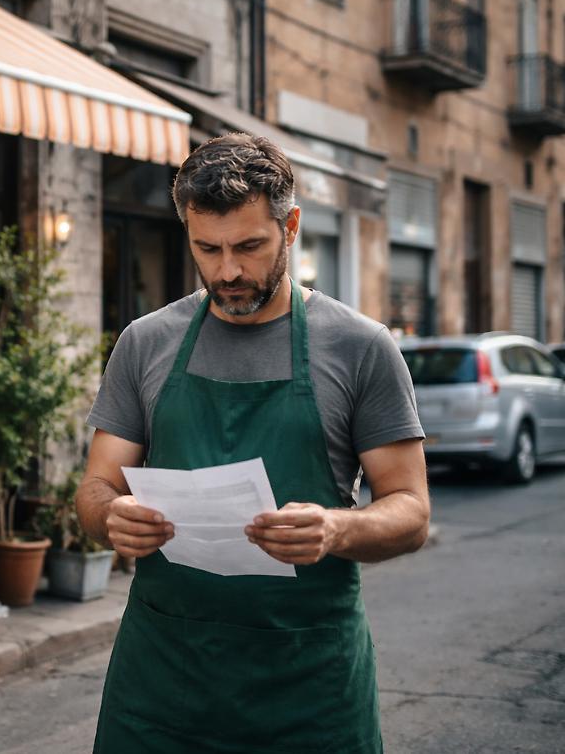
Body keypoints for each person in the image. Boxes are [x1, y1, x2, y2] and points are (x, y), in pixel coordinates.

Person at [79, 133, 430, 753]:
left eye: (249, 246)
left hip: (307, 687)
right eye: (206, 249)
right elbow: (95, 488)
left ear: (290, 227)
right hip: (164, 683)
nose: (228, 271)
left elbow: (411, 510)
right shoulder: (145, 342)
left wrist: (335, 529)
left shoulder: (360, 347)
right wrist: (112, 517)